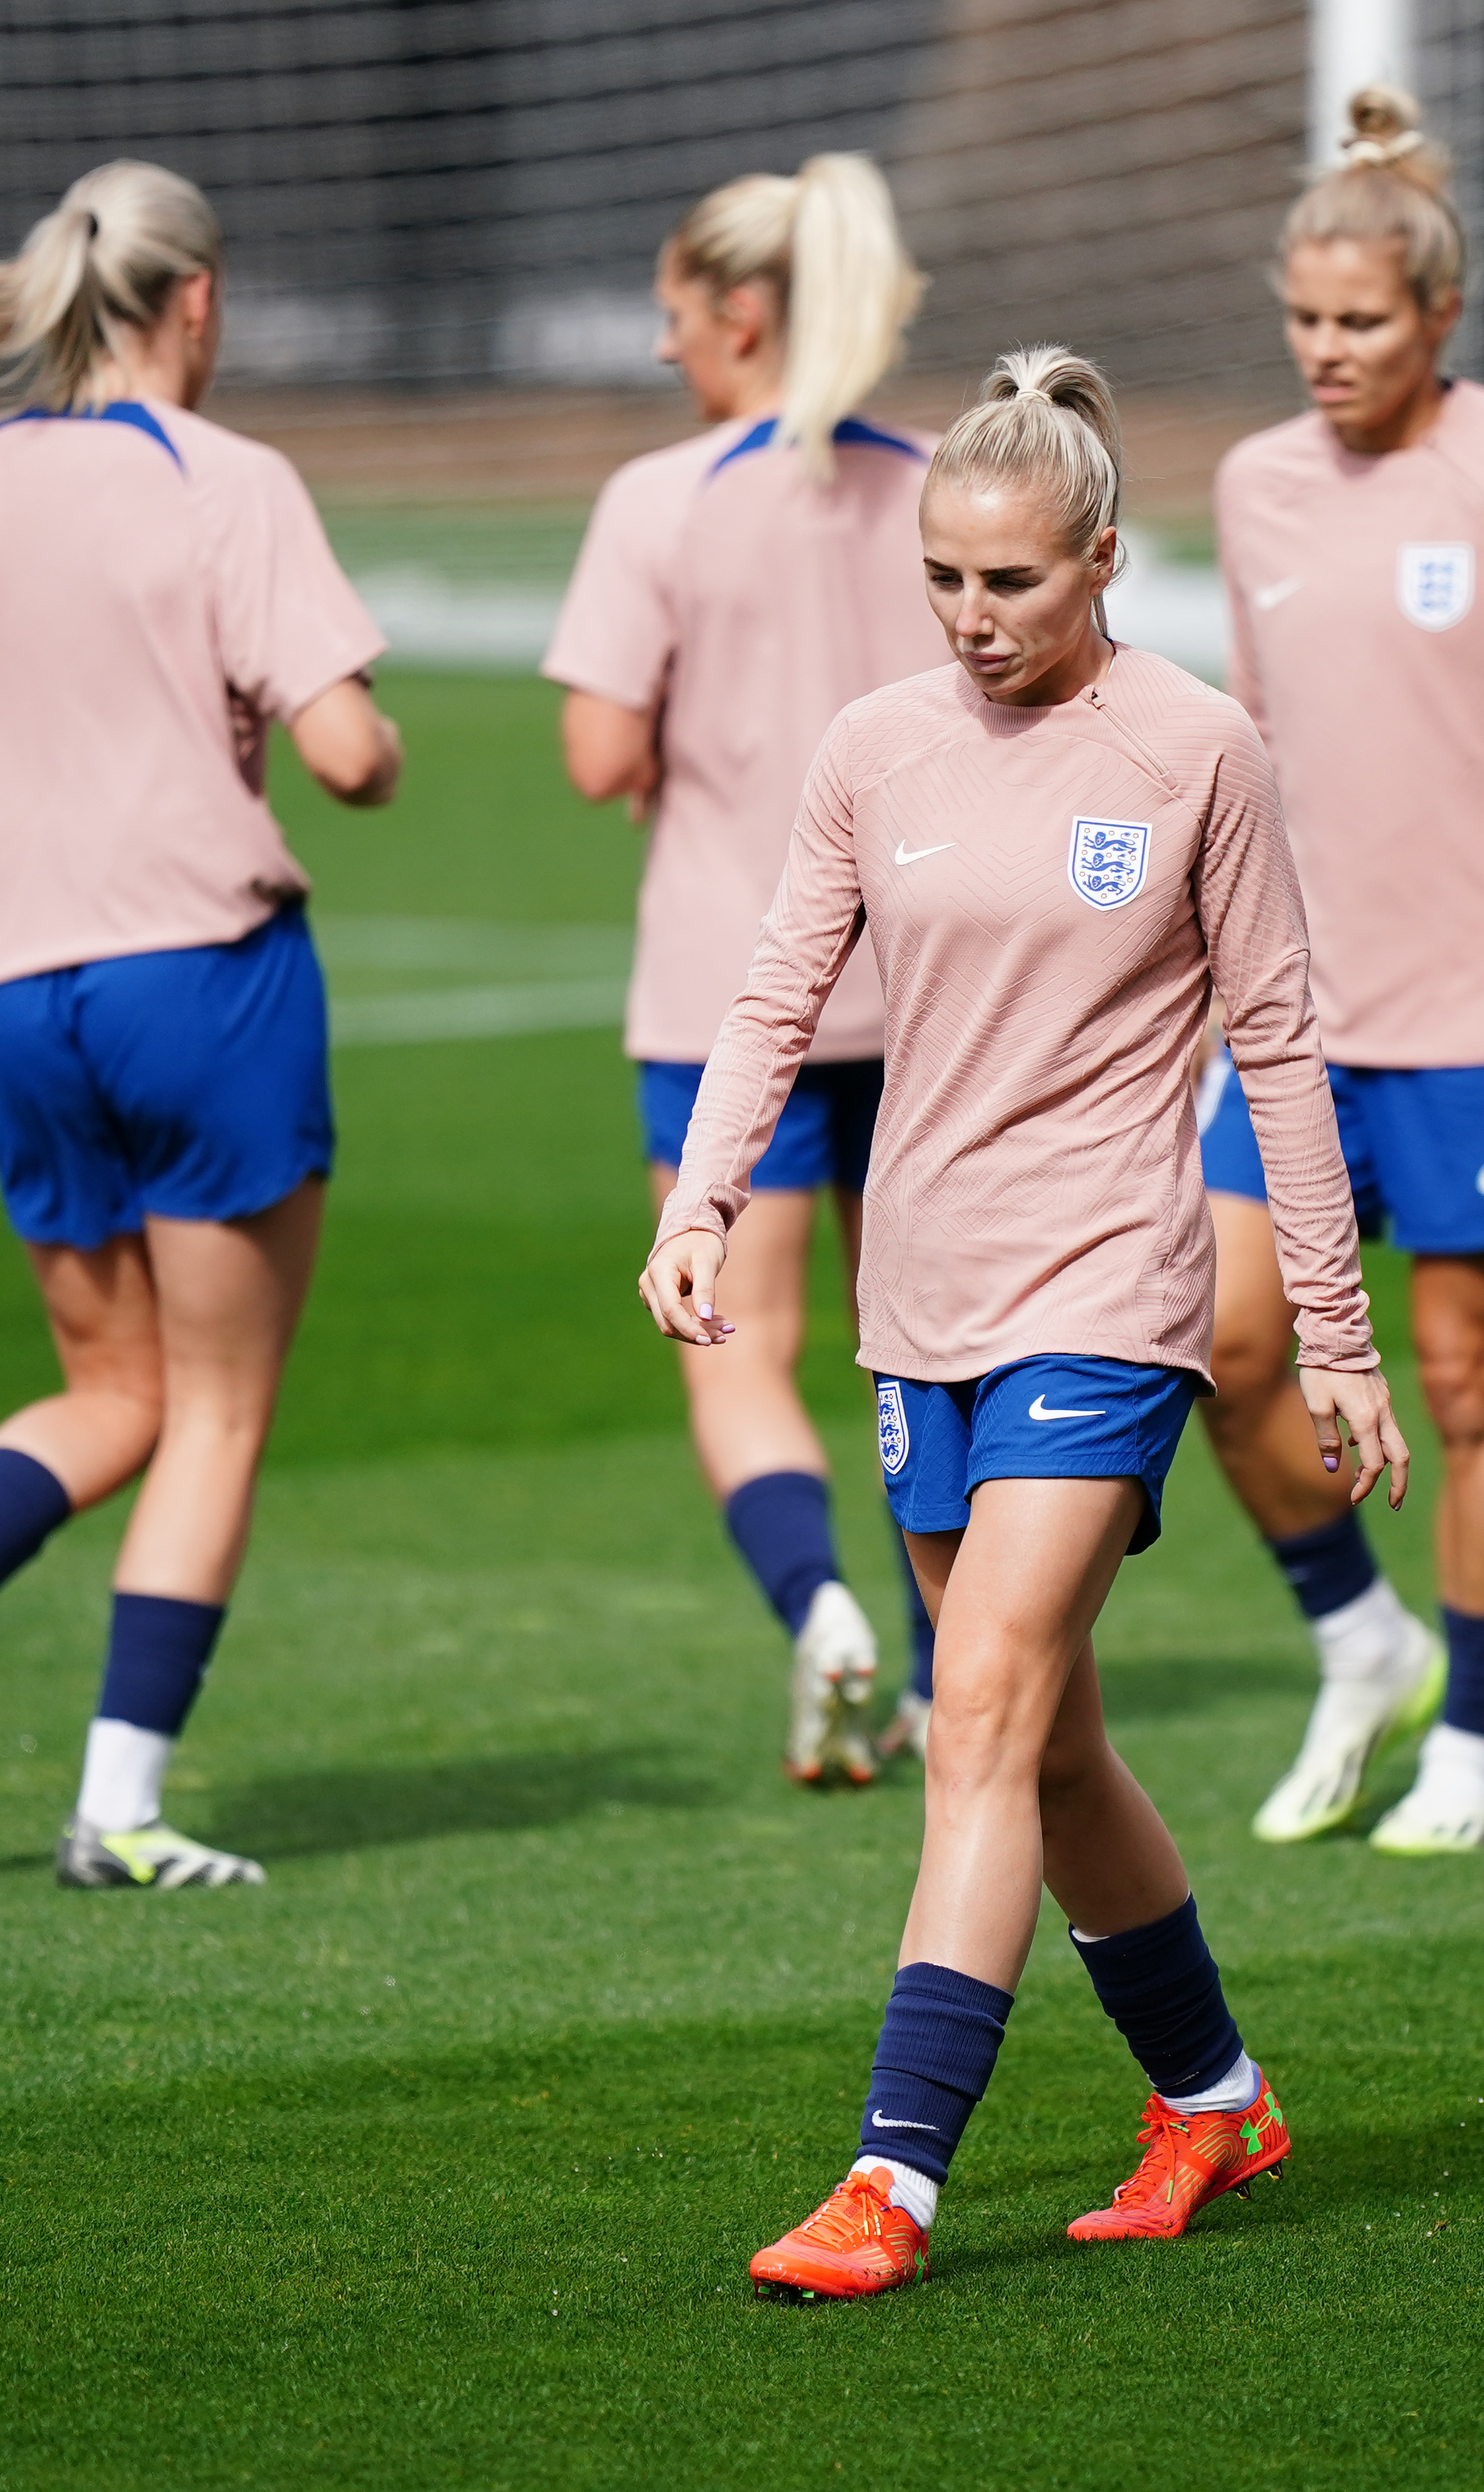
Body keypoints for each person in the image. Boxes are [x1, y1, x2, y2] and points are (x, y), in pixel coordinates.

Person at [641, 349, 1410, 2297]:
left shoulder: (1194, 751)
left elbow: (1284, 1046)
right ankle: (1213, 2092)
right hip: (923, 1303)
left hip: (1109, 1294)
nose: (975, 621)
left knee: (971, 1701)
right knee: (1050, 1741)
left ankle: (891, 2175)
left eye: (1013, 582)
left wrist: (1331, 1330)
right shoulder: (871, 748)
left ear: (1101, 561)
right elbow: (772, 996)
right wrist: (703, 1188)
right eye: (945, 582)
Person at [0, 161, 402, 1888]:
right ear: (199, 301)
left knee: (116, 1384)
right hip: (199, 974)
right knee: (217, 1404)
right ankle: (121, 1807)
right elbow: (354, 753)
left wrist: (39, 727)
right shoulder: (224, 477)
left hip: (12, 984)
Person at [1207, 86, 1484, 1855]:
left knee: (1469, 1387)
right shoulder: (1250, 484)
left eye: (1361, 321)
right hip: (1293, 1017)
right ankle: (1355, 1628)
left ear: (1438, 314)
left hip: (1483, 1016)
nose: (1328, 351)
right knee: (1228, 1349)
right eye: (1305, 321)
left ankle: (1472, 1737)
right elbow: (1245, 740)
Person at [547, 154, 940, 1788]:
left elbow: (592, 751)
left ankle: (822, 1608)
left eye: (671, 314)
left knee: (741, 1342)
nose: (661, 350)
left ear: (742, 311)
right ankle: (946, 1676)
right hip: (928, 985)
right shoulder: (940, 479)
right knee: (927, 1345)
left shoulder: (664, 499)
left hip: (733, 992)